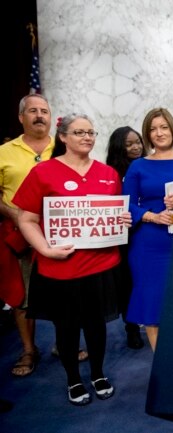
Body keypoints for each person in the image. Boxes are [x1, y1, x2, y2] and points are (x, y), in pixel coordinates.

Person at [13, 113, 132, 405]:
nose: (87, 137)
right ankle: (73, 380)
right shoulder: (43, 173)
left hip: (102, 266)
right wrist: (45, 249)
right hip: (59, 268)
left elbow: (114, 213)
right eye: (79, 132)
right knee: (66, 328)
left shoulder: (109, 173)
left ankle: (98, 373)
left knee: (96, 325)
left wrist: (122, 219)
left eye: (91, 132)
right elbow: (26, 219)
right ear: (63, 137)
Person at [123, 107, 173, 351]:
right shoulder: (137, 166)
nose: (159, 133)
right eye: (153, 129)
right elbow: (126, 203)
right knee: (152, 303)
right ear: (147, 134)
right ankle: (162, 368)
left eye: (164, 127)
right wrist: (151, 216)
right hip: (148, 244)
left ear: (172, 129)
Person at [0, 94, 54, 378]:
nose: (39, 115)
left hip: (59, 233)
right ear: (21, 117)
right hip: (19, 233)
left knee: (63, 292)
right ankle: (28, 349)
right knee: (23, 296)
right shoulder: (4, 152)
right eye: (32, 110)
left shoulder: (64, 147)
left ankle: (62, 343)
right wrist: (14, 215)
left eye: (44, 111)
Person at [105, 126, 146, 350]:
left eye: (138, 141)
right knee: (128, 284)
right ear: (119, 146)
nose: (136, 147)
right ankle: (131, 328)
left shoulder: (149, 164)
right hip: (122, 238)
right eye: (129, 143)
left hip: (146, 231)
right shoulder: (109, 173)